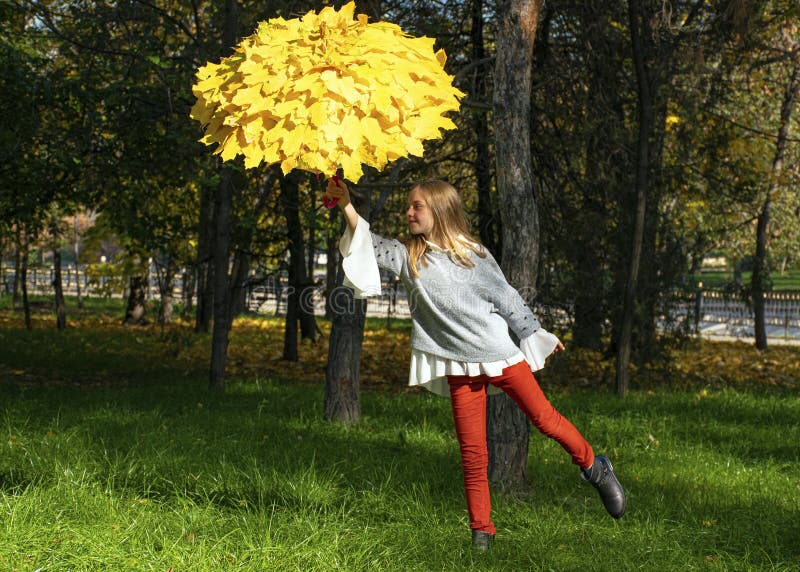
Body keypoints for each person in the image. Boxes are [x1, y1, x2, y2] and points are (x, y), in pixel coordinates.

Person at [327, 178, 626, 550]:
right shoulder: (409, 256)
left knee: (545, 420)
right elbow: (369, 244)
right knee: (473, 453)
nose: (409, 212)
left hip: (498, 353)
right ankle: (481, 533)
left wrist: (535, 332)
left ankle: (595, 468)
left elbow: (506, 297)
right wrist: (345, 206)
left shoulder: (475, 255)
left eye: (417, 206)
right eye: (409, 206)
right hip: (458, 364)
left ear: (439, 210)